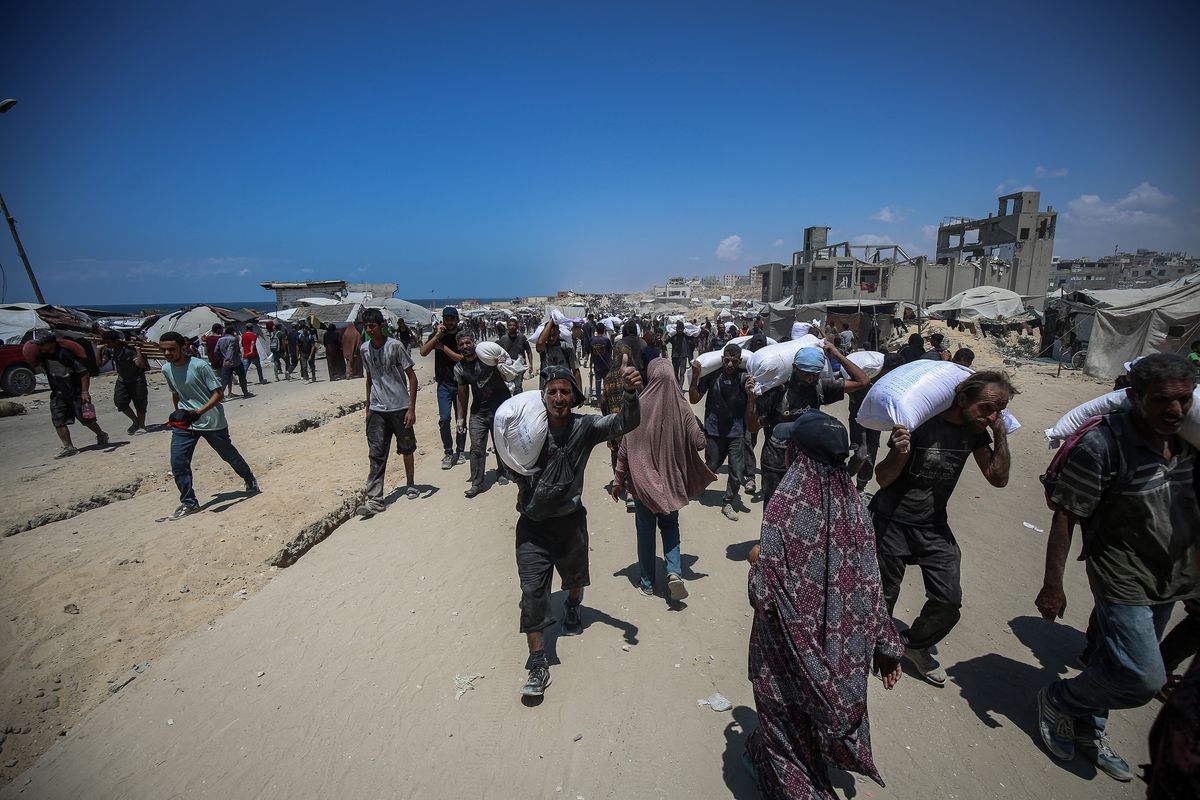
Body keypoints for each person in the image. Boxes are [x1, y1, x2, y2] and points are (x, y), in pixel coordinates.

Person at [1034, 353, 1197, 782]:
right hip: (1122, 572)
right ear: (1135, 397)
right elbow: (1066, 515)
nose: (1175, 410)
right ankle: (1063, 698)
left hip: (1174, 574)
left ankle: (1092, 726)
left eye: (1184, 400)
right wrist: (1053, 586)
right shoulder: (1103, 446)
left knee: (1113, 658)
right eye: (1163, 400)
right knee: (1143, 677)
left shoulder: (1187, 444)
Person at [745, 411, 903, 799]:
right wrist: (886, 645)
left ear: (794, 454)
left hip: (785, 654)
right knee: (803, 728)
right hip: (834, 657)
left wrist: (755, 560)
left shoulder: (784, 507)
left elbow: (765, 596)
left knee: (786, 734)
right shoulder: (856, 511)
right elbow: (870, 582)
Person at [871, 371, 1013, 685]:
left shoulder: (976, 431)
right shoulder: (920, 423)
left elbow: (998, 477)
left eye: (998, 411)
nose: (991, 416)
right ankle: (876, 648)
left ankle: (913, 645)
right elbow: (882, 479)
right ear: (962, 398)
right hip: (891, 520)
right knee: (884, 595)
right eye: (987, 408)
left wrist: (1000, 433)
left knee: (948, 600)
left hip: (934, 526)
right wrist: (900, 450)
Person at [513, 360, 643, 697]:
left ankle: (573, 605)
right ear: (543, 397)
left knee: (573, 579)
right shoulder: (529, 429)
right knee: (532, 592)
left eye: (565, 392)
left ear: (574, 397)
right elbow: (507, 456)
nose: (559, 397)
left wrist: (630, 393)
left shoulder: (584, 428)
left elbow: (625, 422)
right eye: (553, 391)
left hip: (570, 522)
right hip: (532, 526)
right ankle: (539, 662)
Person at [613, 357, 714, 598]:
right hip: (670, 485)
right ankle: (674, 572)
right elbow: (700, 443)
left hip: (642, 486)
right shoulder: (682, 407)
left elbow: (624, 448)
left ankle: (647, 583)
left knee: (645, 533)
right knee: (670, 527)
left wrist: (618, 481)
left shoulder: (639, 404)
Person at [749, 342, 871, 508]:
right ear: (794, 368)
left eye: (814, 374)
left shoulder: (820, 387)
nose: (809, 378)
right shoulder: (777, 392)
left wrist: (836, 354)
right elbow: (753, 427)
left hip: (808, 462)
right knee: (774, 509)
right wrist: (751, 399)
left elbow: (863, 381)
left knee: (803, 511)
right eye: (804, 373)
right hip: (776, 463)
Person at [157, 331, 258, 520]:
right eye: (164, 350)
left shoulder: (200, 366)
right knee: (178, 462)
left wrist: (198, 412)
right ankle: (189, 502)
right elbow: (176, 393)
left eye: (171, 349)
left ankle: (249, 478)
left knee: (229, 455)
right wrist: (179, 414)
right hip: (186, 423)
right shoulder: (166, 369)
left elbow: (218, 394)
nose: (167, 354)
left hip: (211, 421)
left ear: (183, 347)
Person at [357, 309, 419, 517]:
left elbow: (412, 377)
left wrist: (411, 408)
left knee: (406, 449)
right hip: (377, 409)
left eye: (372, 326)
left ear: (381, 325)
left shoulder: (395, 346)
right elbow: (369, 378)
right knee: (376, 454)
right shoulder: (364, 349)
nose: (369, 330)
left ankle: (410, 483)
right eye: (366, 327)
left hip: (400, 407)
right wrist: (368, 407)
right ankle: (375, 499)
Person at [690, 344, 753, 521]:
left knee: (736, 470)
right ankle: (697, 485)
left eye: (735, 361)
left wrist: (751, 394)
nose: (731, 365)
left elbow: (752, 404)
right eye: (727, 360)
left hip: (737, 432)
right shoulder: (713, 376)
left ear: (740, 361)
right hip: (714, 429)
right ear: (722, 359)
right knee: (711, 465)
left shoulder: (743, 378)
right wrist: (695, 376)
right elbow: (694, 399)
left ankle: (728, 502)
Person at [31, 330, 110, 457]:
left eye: (41, 344)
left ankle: (101, 434)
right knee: (58, 420)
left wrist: (85, 392)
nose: (39, 347)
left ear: (50, 343)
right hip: (58, 393)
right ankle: (68, 446)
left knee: (86, 419)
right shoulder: (44, 356)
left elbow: (83, 372)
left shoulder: (64, 354)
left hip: (75, 392)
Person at [454, 332, 513, 497]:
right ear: (458, 347)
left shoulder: (487, 357)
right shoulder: (460, 368)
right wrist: (460, 418)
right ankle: (477, 483)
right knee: (476, 447)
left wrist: (501, 364)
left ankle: (502, 472)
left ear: (473, 342)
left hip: (499, 407)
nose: (465, 346)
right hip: (478, 412)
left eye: (468, 342)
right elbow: (462, 394)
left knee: (500, 443)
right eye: (461, 344)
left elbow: (507, 372)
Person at [847, 353, 905, 493]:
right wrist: (853, 396)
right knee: (860, 453)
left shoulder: (890, 381)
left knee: (870, 456)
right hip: (858, 419)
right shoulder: (868, 373)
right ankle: (844, 479)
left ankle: (860, 489)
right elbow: (849, 382)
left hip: (876, 421)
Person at [420, 307, 467, 469]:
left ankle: (461, 451)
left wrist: (444, 348)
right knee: (444, 419)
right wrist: (437, 338)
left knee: (460, 420)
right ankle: (448, 452)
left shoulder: (462, 336)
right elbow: (423, 352)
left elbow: (463, 359)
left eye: (452, 318)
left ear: (457, 319)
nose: (449, 322)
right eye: (446, 318)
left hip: (460, 384)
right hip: (444, 385)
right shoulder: (438, 336)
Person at [98, 330, 149, 434]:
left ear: (116, 341)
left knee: (140, 403)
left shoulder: (129, 350)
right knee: (120, 402)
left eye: (108, 342)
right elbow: (100, 364)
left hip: (137, 379)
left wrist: (138, 351)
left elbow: (140, 364)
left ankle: (142, 425)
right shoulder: (109, 350)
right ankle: (136, 421)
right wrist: (98, 350)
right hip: (122, 380)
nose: (107, 344)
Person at [535, 321, 581, 389]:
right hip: (547, 389)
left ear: (558, 333)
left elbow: (576, 371)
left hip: (564, 388)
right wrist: (551, 321)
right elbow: (540, 342)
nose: (551, 338)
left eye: (553, 335)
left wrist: (579, 393)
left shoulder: (566, 347)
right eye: (549, 335)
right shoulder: (544, 348)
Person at [498, 317, 534, 393]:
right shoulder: (503, 339)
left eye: (514, 325)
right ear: (507, 327)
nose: (512, 327)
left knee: (518, 386)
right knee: (509, 387)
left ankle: (518, 400)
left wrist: (531, 364)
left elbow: (529, 351)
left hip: (520, 366)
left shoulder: (522, 337)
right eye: (510, 325)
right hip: (507, 367)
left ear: (517, 326)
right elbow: (498, 353)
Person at [216, 324, 251, 398]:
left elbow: (216, 351)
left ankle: (220, 397)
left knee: (224, 380)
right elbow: (231, 350)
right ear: (232, 332)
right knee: (242, 377)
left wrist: (222, 359)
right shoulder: (233, 339)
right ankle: (245, 393)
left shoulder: (220, 339)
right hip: (235, 362)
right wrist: (229, 359)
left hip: (225, 363)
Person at [669, 321, 695, 387]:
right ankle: (677, 386)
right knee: (675, 373)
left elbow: (694, 339)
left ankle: (680, 388)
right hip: (675, 357)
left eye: (681, 328)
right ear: (676, 329)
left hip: (683, 357)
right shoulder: (673, 337)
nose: (680, 330)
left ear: (683, 329)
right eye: (678, 328)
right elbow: (664, 342)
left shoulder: (686, 336)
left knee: (682, 373)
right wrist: (667, 334)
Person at [588, 335, 612, 405]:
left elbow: (590, 351)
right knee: (606, 381)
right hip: (606, 364)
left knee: (598, 381)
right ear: (603, 330)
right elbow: (610, 352)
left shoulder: (592, 339)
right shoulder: (606, 340)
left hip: (597, 364)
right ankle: (606, 397)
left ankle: (599, 400)